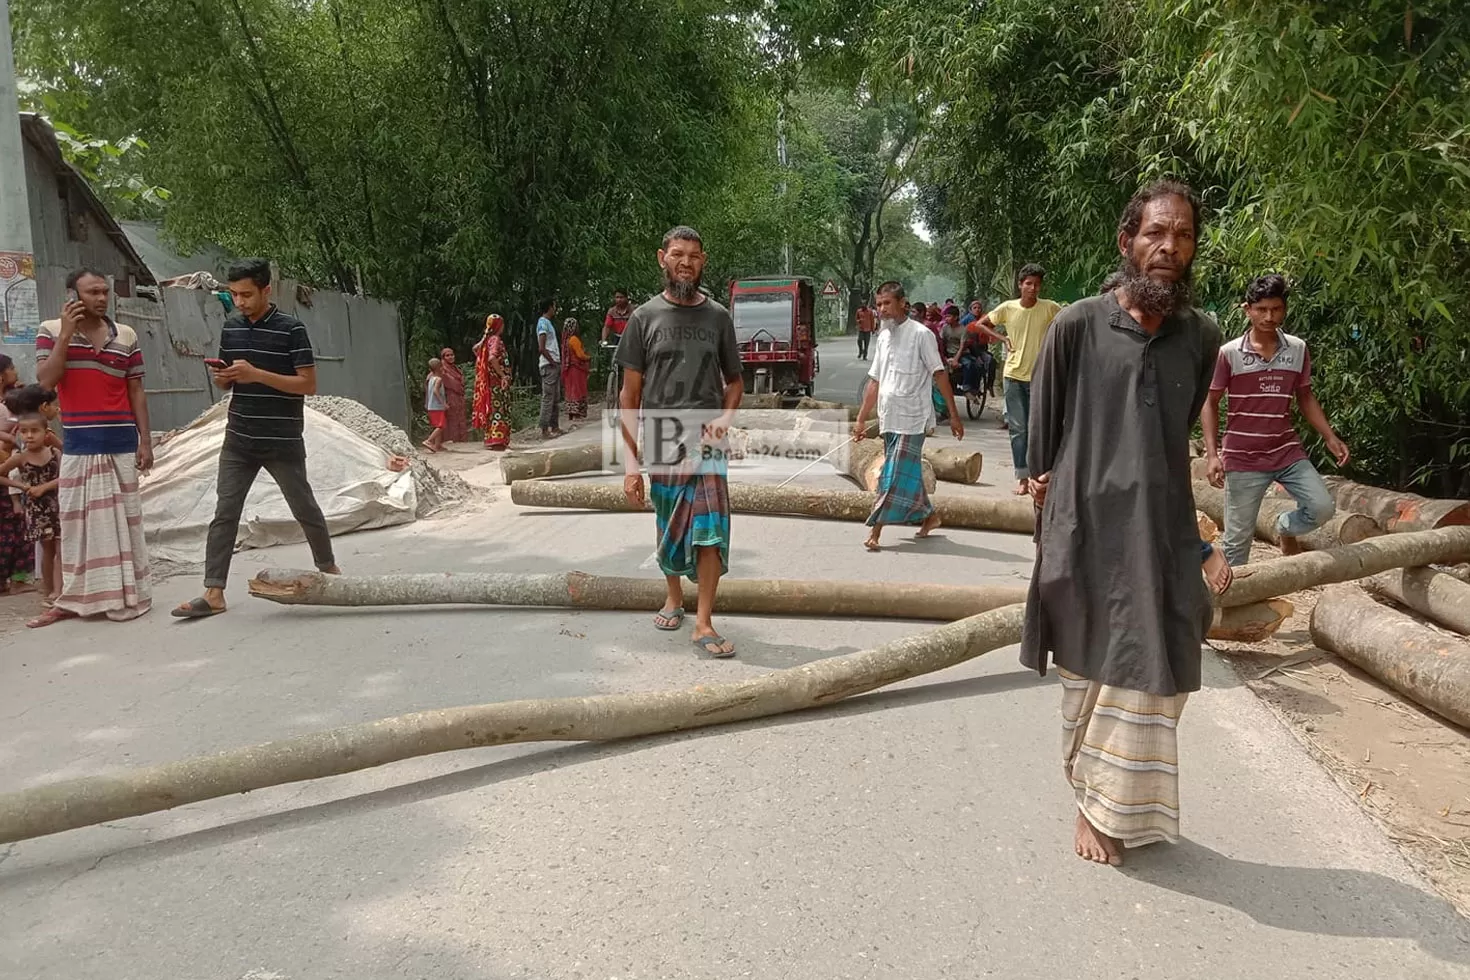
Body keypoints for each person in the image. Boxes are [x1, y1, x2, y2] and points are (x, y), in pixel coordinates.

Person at [1022, 179, 1227, 867]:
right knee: (1087, 665)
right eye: (1156, 233)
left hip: (1164, 532)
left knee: (1171, 649)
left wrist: (1197, 543)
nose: (1170, 247)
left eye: (1184, 235)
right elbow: (1042, 448)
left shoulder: (1201, 337)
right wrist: (1050, 531)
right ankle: (1091, 801)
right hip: (1084, 528)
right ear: (1127, 242)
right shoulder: (1077, 324)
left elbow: (1172, 432)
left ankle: (1119, 798)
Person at [172, 258, 339, 619]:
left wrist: (256, 374)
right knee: (224, 513)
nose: (240, 302)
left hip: (281, 439)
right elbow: (231, 378)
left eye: (247, 294)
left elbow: (307, 385)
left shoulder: (291, 330)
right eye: (234, 295)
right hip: (239, 437)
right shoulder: (231, 329)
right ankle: (213, 592)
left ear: (267, 290)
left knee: (304, 507)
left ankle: (330, 573)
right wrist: (225, 378)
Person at [617, 225, 743, 659]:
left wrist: (725, 419)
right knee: (669, 524)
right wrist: (631, 465)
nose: (685, 261)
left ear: (702, 261)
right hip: (662, 438)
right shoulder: (643, 318)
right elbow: (628, 396)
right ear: (662, 259)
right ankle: (674, 595)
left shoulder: (718, 317)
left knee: (710, 530)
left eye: (693, 255)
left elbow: (735, 381)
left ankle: (704, 621)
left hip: (707, 441)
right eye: (677, 254)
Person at [30, 268, 152, 628]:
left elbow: (136, 391)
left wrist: (146, 440)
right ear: (73, 297)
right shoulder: (50, 331)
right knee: (76, 525)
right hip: (80, 445)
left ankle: (128, 593)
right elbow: (46, 381)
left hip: (120, 443)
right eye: (92, 292)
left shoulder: (126, 335)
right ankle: (72, 598)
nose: (101, 298)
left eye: (104, 292)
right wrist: (66, 335)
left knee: (125, 525)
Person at [1203, 274, 1348, 564]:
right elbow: (1210, 401)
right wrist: (1212, 454)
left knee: (1322, 508)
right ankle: (1233, 604)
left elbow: (1305, 396)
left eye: (1276, 309)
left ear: (1284, 309)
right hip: (1243, 457)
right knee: (1236, 545)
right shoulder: (1229, 354)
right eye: (1262, 309)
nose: (1269, 316)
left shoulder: (1297, 349)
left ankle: (1284, 527)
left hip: (1285, 451)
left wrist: (1329, 436)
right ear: (1248, 309)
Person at [853, 281, 964, 552]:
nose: (882, 310)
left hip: (913, 418)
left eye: (887, 304)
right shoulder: (883, 337)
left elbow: (939, 374)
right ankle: (929, 516)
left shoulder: (921, 334)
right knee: (906, 473)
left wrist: (954, 415)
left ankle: (876, 530)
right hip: (889, 417)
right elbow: (874, 381)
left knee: (891, 474)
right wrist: (860, 419)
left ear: (903, 303)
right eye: (879, 305)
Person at [975, 264, 1060, 494]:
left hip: (1040, 376)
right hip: (1012, 375)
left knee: (1038, 429)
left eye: (1037, 284)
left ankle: (1037, 476)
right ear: (1020, 285)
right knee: (1018, 429)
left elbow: (1066, 322)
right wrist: (1002, 337)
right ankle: (1022, 477)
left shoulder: (1050, 308)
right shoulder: (1008, 308)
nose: (1032, 288)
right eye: (1028, 283)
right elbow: (980, 324)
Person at [0, 412, 61, 604]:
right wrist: (22, 487)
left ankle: (61, 590)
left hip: (58, 506)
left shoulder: (55, 453)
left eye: (35, 431)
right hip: (37, 511)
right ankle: (49, 590)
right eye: (24, 432)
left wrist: (44, 487)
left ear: (46, 433)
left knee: (62, 548)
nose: (29, 436)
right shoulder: (20, 457)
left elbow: (68, 476)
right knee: (48, 550)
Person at [473, 314, 512, 451]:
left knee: (493, 408)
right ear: (498, 326)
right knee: (498, 408)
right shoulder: (495, 339)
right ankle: (498, 439)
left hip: (489, 382)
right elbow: (492, 358)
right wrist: (502, 375)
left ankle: (492, 438)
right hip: (496, 382)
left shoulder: (487, 340)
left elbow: (475, 349)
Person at [536, 298, 563, 440]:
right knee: (548, 398)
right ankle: (544, 429)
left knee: (555, 398)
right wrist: (552, 361)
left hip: (553, 363)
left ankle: (555, 426)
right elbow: (542, 347)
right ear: (550, 307)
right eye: (554, 306)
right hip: (549, 365)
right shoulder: (543, 323)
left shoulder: (548, 323)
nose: (555, 308)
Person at [561, 318, 591, 420]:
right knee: (578, 390)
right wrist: (588, 357)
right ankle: (577, 413)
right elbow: (580, 355)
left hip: (569, 369)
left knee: (570, 390)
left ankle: (571, 413)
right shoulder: (574, 339)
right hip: (576, 369)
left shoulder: (565, 340)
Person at [438, 347, 467, 444]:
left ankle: (461, 439)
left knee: (460, 417)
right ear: (443, 357)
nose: (450, 357)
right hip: (449, 396)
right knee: (452, 418)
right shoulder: (442, 369)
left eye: (452, 355)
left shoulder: (455, 368)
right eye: (447, 355)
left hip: (459, 396)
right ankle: (452, 439)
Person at [423, 358, 447, 453]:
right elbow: (436, 391)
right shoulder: (439, 379)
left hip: (431, 406)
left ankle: (437, 445)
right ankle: (429, 441)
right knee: (441, 426)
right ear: (440, 368)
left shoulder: (430, 378)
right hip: (437, 406)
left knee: (438, 425)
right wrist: (443, 403)